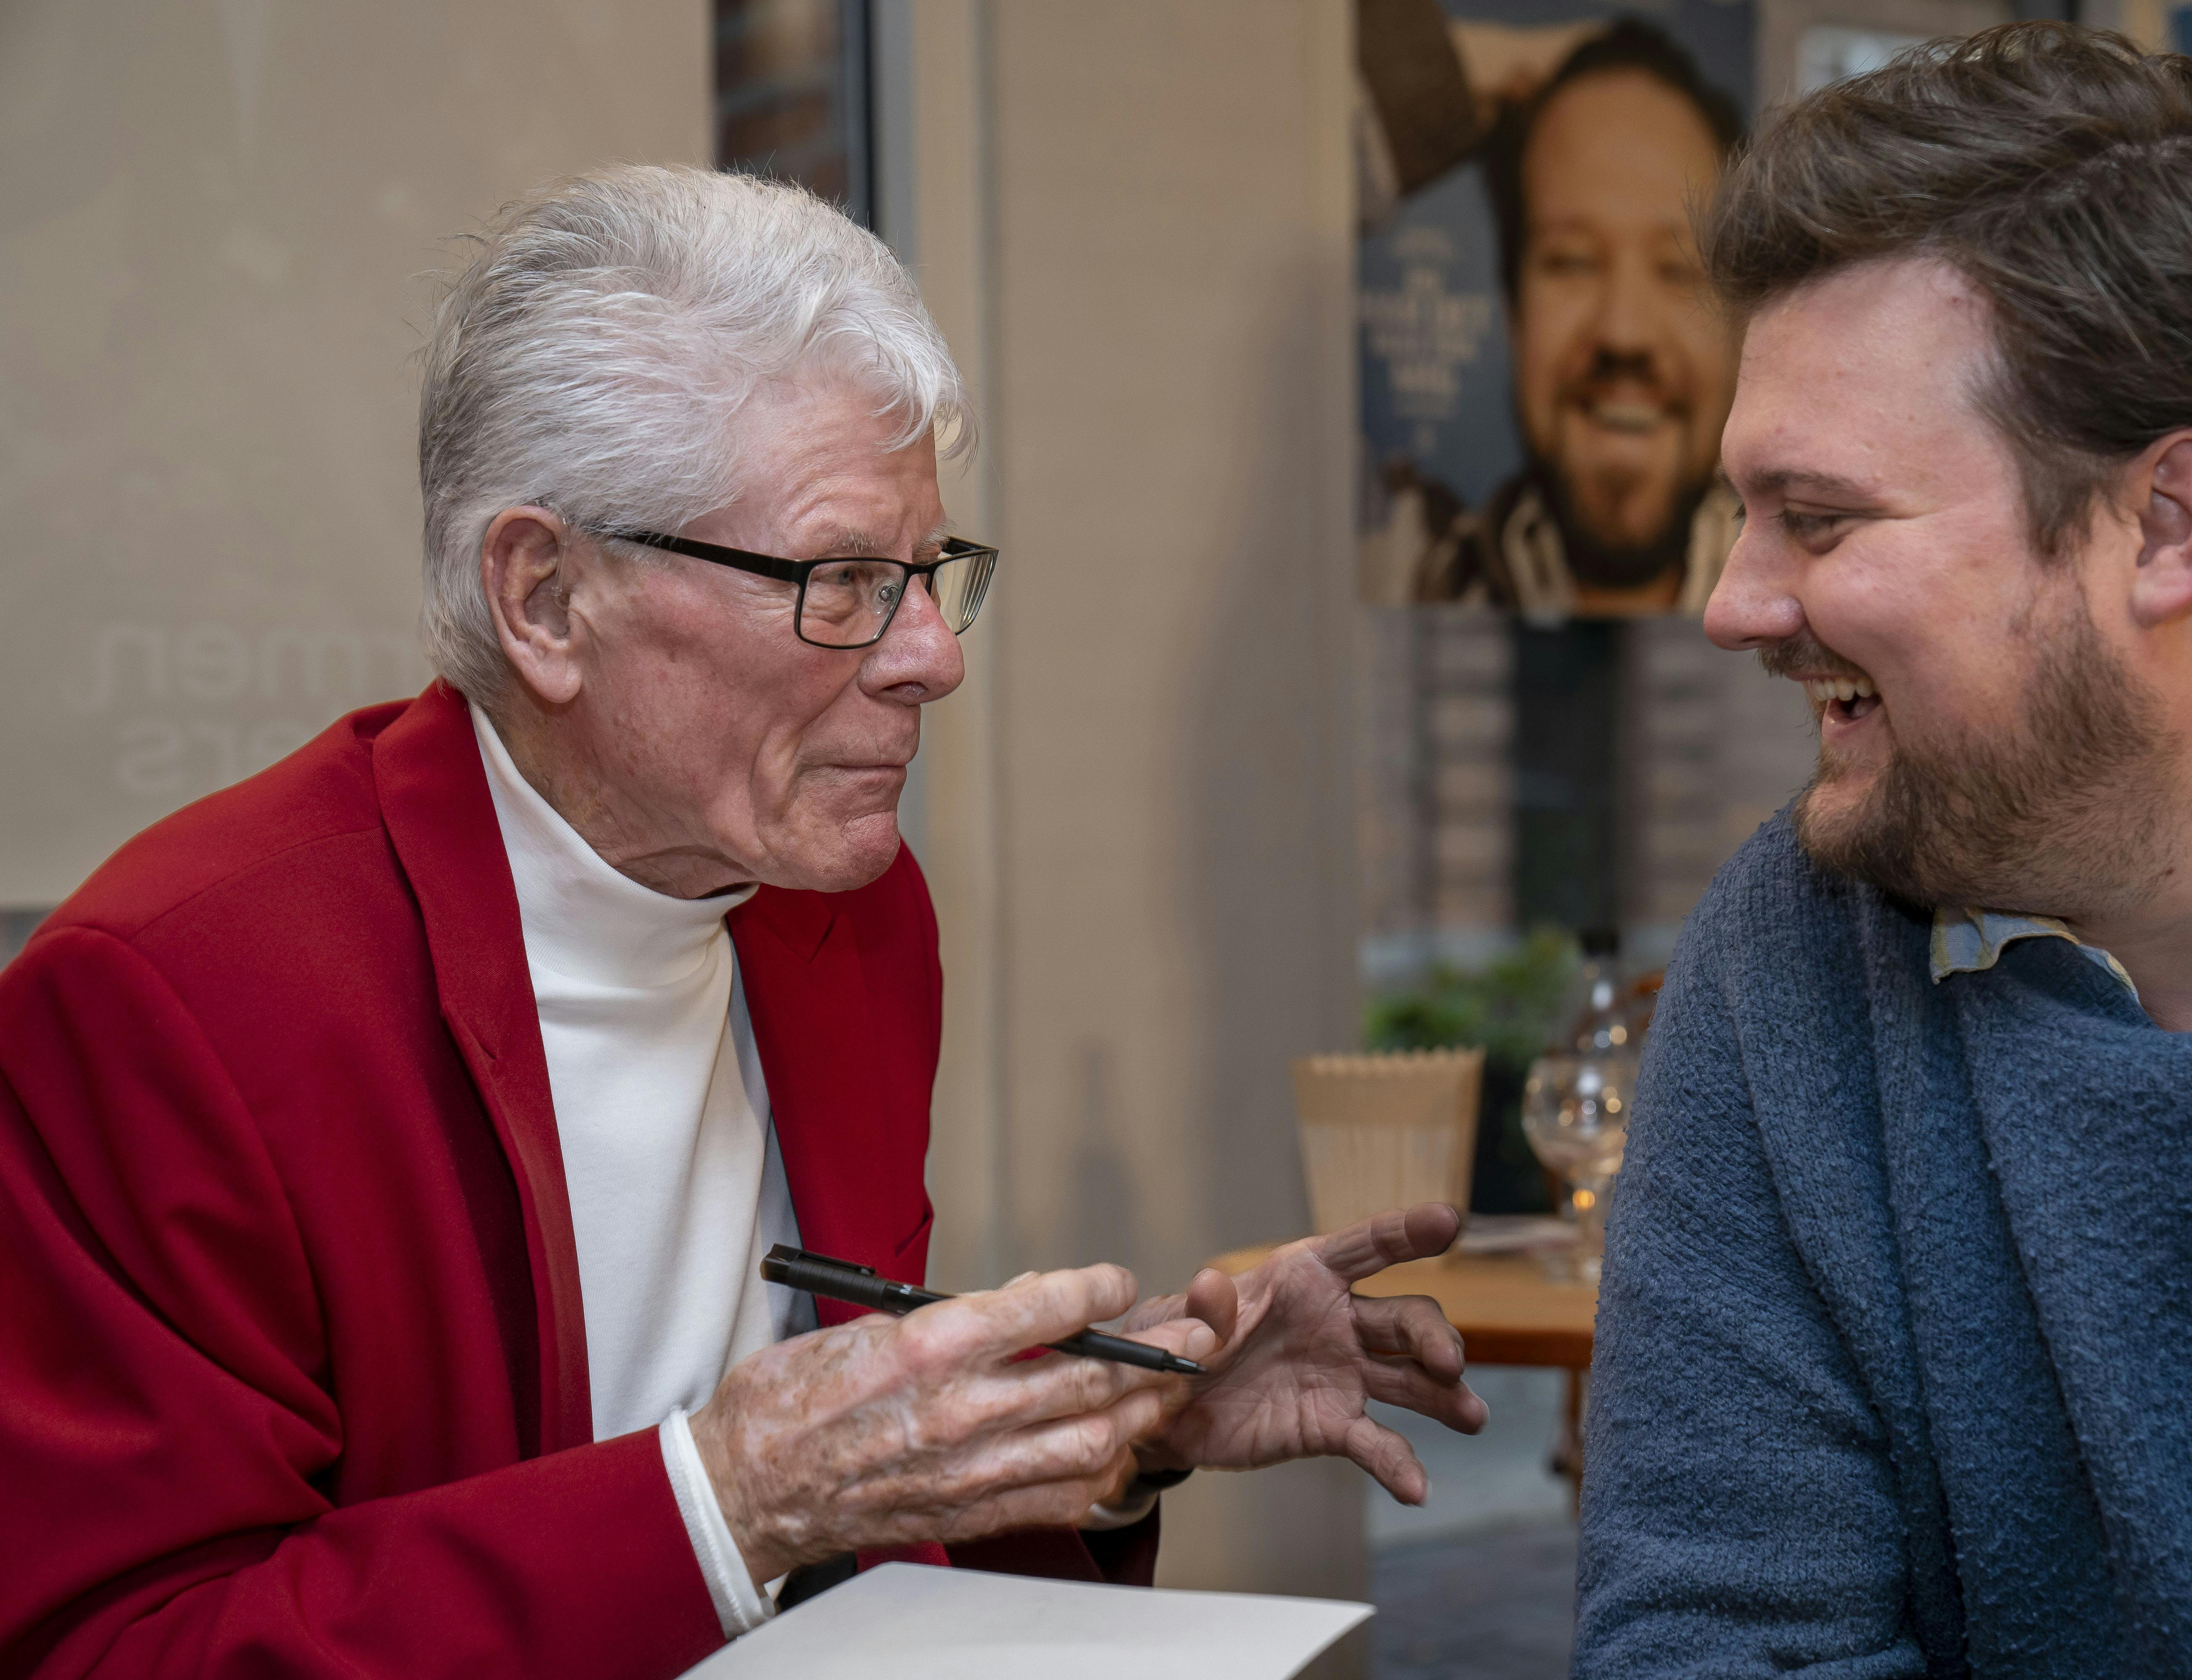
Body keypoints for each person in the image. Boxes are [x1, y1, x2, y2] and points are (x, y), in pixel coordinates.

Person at [0, 166, 1487, 1679]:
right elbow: (123, 1648)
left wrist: (1120, 1420)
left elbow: (857, 1558)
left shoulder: (848, 917)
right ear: (547, 598)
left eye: (927, 578)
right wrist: (719, 1503)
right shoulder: (179, 995)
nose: (928, 659)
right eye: (840, 580)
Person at [1578, 24, 2192, 1677]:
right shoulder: (1794, 953)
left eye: (1823, 518)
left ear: (2169, 522)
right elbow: (1718, 1644)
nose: (1733, 605)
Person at [1408, 19, 1743, 617]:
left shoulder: (1828, 613)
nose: (1624, 331)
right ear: (1512, 309)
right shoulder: (1411, 572)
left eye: (1676, 269)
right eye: (1573, 262)